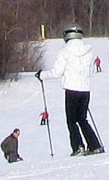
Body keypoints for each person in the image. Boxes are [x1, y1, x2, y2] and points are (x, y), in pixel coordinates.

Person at [45, 26, 105, 155]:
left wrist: (42, 75)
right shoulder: (88, 52)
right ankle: (95, 145)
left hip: (71, 90)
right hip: (85, 90)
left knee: (71, 121)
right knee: (82, 119)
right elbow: (90, 72)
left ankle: (78, 147)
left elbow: (56, 72)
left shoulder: (64, 52)